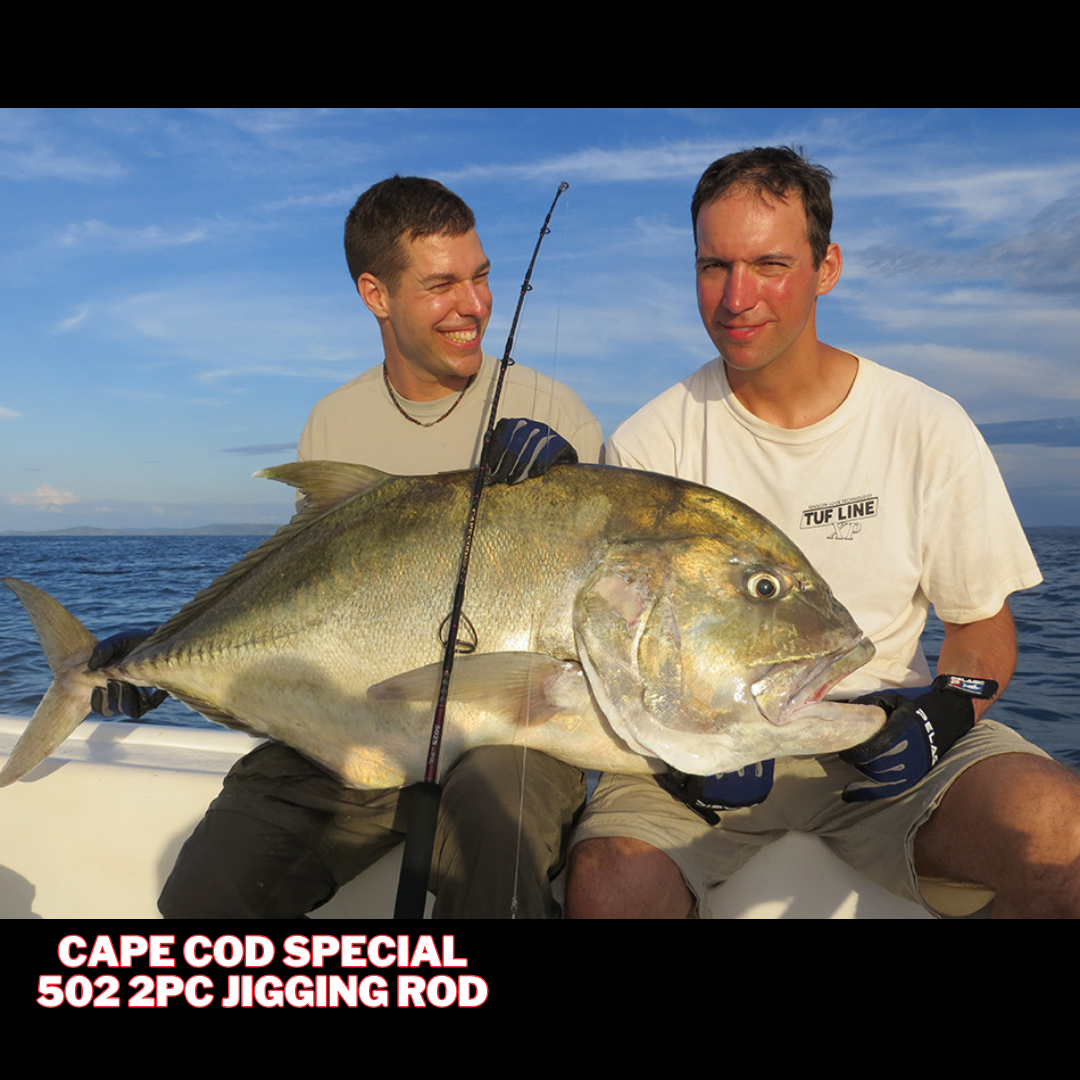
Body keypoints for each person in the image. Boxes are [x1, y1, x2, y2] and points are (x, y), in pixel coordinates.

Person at [563, 147, 1080, 919]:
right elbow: (612, 652)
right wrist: (687, 749)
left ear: (826, 268)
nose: (737, 297)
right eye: (714, 266)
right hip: (693, 758)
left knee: (1061, 830)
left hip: (881, 738)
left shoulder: (924, 423)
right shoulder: (648, 444)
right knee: (609, 884)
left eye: (769, 264)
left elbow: (982, 627)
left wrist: (944, 716)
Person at [136, 175, 603, 918]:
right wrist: (158, 653)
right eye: (442, 285)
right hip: (350, 727)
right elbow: (302, 599)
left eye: (481, 276)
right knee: (207, 894)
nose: (475, 305)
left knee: (499, 847)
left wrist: (572, 479)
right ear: (375, 294)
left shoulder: (555, 412)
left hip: (512, 736)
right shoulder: (335, 423)